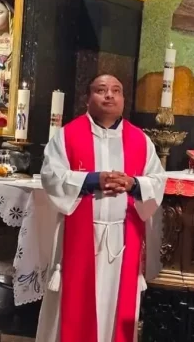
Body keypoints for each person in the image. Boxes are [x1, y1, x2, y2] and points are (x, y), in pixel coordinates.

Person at [36, 74, 166, 342]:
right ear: (88, 98)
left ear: (123, 99)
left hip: (122, 241)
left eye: (116, 91)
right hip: (80, 239)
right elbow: (51, 176)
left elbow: (158, 181)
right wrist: (92, 180)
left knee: (116, 307)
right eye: (101, 90)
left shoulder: (140, 140)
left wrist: (133, 184)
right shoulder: (67, 136)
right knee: (73, 308)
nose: (109, 95)